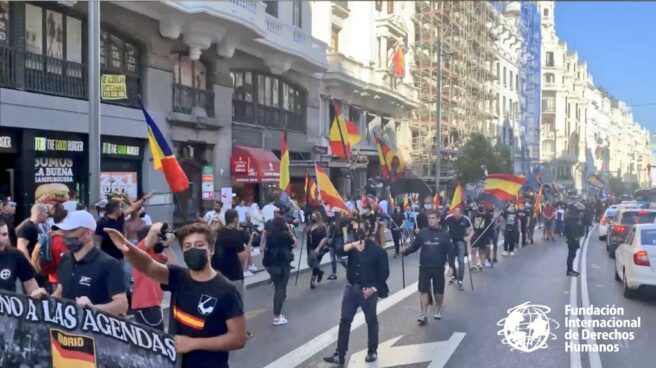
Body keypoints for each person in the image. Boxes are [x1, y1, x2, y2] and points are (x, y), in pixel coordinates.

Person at [103, 221, 246, 368]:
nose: (193, 250)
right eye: (188, 246)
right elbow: (148, 265)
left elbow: (238, 338)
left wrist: (193, 343)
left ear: (211, 249)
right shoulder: (178, 277)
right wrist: (126, 248)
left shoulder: (226, 290)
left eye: (199, 245)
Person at [35, 211, 128, 315]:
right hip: (67, 328)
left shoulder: (109, 264)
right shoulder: (65, 259)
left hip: (96, 329)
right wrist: (43, 300)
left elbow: (122, 305)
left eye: (70, 230)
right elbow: (61, 290)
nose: (65, 235)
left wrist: (93, 309)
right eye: (64, 230)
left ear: (88, 233)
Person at [323, 219, 389, 365]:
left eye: (358, 229)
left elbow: (384, 274)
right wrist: (352, 244)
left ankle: (372, 350)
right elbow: (338, 249)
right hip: (351, 289)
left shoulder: (378, 251)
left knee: (371, 320)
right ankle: (340, 354)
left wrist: (373, 289)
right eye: (354, 230)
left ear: (367, 231)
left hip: (368, 292)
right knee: (345, 320)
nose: (355, 232)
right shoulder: (352, 247)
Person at [96, 192, 153, 293]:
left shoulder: (120, 218)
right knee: (109, 278)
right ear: (115, 209)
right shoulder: (102, 223)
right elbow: (97, 241)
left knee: (122, 277)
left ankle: (124, 294)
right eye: (120, 207)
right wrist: (98, 256)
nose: (122, 209)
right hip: (107, 256)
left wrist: (144, 199)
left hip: (120, 256)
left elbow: (132, 208)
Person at [402, 211, 451, 324]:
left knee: (439, 291)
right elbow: (414, 246)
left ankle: (438, 310)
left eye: (433, 218)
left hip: (438, 267)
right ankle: (423, 313)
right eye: (429, 218)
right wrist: (405, 252)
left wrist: (452, 266)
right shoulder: (423, 233)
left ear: (439, 219)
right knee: (423, 290)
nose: (430, 220)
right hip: (424, 267)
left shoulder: (445, 234)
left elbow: (450, 251)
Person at [131, 223, 176, 331]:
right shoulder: (140, 251)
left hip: (154, 305)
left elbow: (173, 266)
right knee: (156, 339)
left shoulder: (156, 254)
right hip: (145, 305)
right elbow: (154, 230)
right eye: (158, 237)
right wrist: (162, 228)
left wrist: (166, 246)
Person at [262, 216, 297, 326]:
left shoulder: (270, 235)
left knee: (278, 288)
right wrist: (290, 230)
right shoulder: (285, 235)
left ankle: (277, 314)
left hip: (272, 265)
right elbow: (295, 243)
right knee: (281, 289)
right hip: (283, 264)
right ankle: (277, 317)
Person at [0, 219, 43, 296]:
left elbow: (30, 284)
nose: (1, 240)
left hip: (8, 306)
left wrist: (36, 292)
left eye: (4, 234)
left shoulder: (15, 255)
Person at [444, 207, 472, 290]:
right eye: (455, 211)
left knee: (461, 262)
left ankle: (460, 280)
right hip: (451, 242)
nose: (457, 213)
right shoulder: (448, 218)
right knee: (451, 261)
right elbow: (444, 229)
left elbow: (471, 229)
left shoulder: (465, 219)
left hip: (461, 242)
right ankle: (455, 276)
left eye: (459, 211)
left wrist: (469, 237)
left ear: (461, 212)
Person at [307, 210, 328, 289]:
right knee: (310, 263)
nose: (312, 218)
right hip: (310, 248)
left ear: (318, 217)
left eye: (314, 216)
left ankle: (312, 281)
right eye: (311, 216)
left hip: (319, 248)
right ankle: (320, 272)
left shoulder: (322, 226)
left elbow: (325, 237)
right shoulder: (310, 226)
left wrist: (319, 248)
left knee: (315, 264)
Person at [470, 204, 493, 270]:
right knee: (473, 250)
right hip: (475, 235)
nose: (481, 206)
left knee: (482, 251)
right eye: (479, 205)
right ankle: (473, 265)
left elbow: (490, 223)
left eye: (482, 206)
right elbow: (471, 223)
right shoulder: (474, 213)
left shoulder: (487, 215)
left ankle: (481, 264)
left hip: (483, 235)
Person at [564, 203, 584, 277]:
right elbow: (573, 228)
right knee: (571, 255)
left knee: (572, 254)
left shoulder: (570, 216)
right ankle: (569, 270)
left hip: (572, 238)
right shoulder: (571, 218)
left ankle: (570, 269)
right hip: (572, 238)